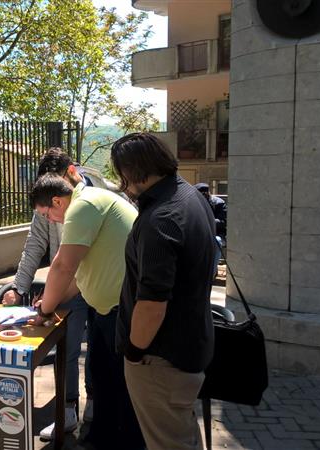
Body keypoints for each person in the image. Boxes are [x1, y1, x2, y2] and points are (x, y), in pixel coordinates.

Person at [111, 133, 215, 449]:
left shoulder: (160, 219)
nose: (123, 185)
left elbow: (153, 304)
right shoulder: (191, 196)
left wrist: (133, 351)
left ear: (132, 171)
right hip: (189, 346)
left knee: (169, 442)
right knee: (181, 434)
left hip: (159, 360)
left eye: (122, 175)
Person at [29, 174, 144, 450]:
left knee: (119, 389)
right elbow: (78, 279)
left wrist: (45, 310)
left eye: (46, 214)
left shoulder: (83, 207)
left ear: (57, 201)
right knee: (102, 379)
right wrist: (49, 305)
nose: (50, 221)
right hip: (110, 310)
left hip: (121, 313)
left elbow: (62, 267)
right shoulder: (90, 203)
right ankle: (100, 439)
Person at [1, 148, 94, 438]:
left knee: (100, 347)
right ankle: (67, 410)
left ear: (71, 172)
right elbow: (35, 243)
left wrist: (50, 300)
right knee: (67, 348)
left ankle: (95, 403)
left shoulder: (94, 195)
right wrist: (19, 287)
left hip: (98, 283)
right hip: (69, 287)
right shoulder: (47, 199)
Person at [195, 182, 226, 279]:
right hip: (198, 235)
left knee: (217, 242)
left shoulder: (219, 203)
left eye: (205, 194)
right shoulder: (193, 203)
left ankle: (210, 275)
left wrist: (207, 221)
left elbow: (223, 222)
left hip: (216, 234)